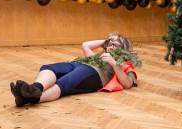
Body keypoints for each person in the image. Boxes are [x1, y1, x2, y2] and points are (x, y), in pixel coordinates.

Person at [9, 33, 140, 107]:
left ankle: (29, 98)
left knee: (64, 83)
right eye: (110, 43)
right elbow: (85, 45)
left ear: (124, 49)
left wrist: (114, 64)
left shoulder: (124, 63)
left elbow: (128, 84)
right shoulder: (98, 56)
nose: (111, 46)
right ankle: (34, 88)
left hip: (94, 73)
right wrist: (107, 41)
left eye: (115, 45)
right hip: (78, 64)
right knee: (49, 68)